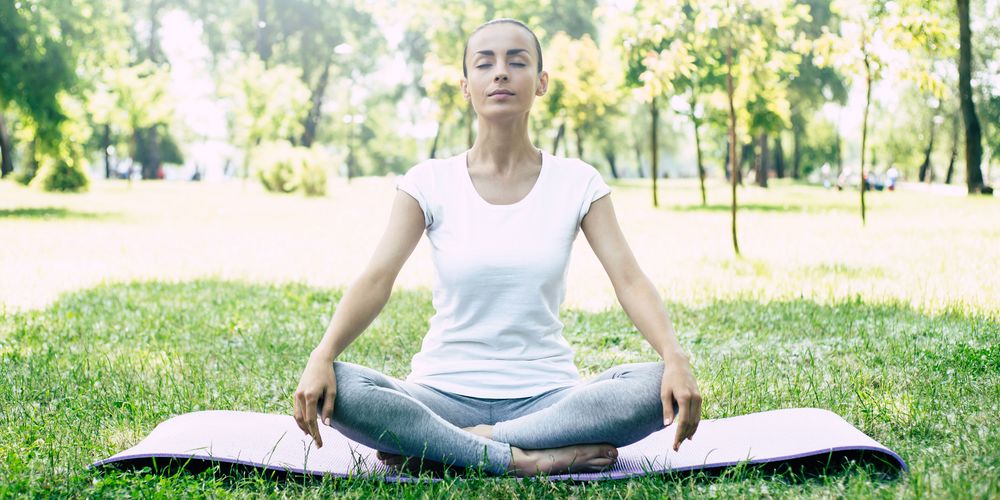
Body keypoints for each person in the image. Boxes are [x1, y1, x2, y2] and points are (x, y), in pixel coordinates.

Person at [292, 18, 701, 478]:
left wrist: (674, 358)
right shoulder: (427, 182)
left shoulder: (578, 181)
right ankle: (524, 460)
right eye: (485, 64)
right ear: (466, 86)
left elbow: (628, 279)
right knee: (343, 388)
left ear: (541, 82)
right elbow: (376, 279)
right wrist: (322, 354)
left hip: (549, 399)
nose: (500, 73)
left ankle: (454, 450)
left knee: (650, 386)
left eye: (517, 62)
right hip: (440, 396)